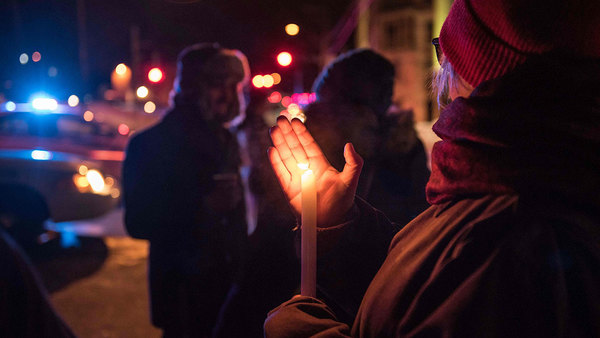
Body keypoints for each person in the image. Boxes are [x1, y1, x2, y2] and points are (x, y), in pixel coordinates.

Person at [264, 0, 600, 336]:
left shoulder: (515, 228)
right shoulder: (504, 181)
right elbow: (426, 290)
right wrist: (339, 224)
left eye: (445, 51)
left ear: (475, 66)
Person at [123, 43, 249, 337]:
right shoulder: (151, 144)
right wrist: (204, 208)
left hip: (228, 293)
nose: (228, 95)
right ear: (193, 87)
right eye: (218, 85)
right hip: (182, 296)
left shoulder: (226, 139)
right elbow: (138, 222)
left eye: (234, 85)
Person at [304, 48, 430, 226]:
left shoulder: (403, 143)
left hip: (396, 247)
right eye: (382, 85)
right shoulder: (313, 145)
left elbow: (422, 208)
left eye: (389, 84)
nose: (389, 93)